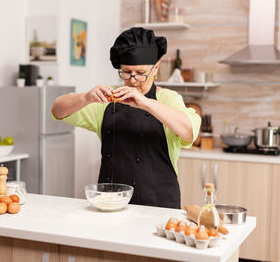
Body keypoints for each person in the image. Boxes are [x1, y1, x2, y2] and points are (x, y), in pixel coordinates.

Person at [52, 27, 201, 209]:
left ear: (155, 68)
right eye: (126, 72)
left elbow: (189, 132)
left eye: (140, 73)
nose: (132, 79)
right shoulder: (107, 98)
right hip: (110, 203)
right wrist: (85, 97)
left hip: (159, 205)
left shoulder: (169, 99)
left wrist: (145, 103)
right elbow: (57, 110)